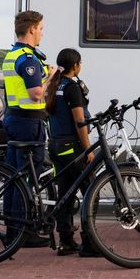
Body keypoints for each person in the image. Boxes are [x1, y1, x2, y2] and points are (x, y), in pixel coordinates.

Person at [2, 10, 58, 248]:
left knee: (13, 178)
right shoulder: (27, 59)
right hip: (28, 122)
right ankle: (22, 234)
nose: (42, 33)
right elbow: (36, 95)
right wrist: (51, 76)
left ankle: (12, 231)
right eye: (41, 28)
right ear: (32, 28)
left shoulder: (11, 55)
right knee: (26, 178)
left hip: (14, 119)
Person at [45, 48, 99, 257]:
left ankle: (65, 241)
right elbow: (79, 121)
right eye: (80, 63)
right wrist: (88, 149)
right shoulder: (73, 89)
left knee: (65, 193)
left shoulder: (55, 84)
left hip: (56, 146)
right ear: (75, 66)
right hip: (72, 147)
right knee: (90, 191)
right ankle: (90, 244)